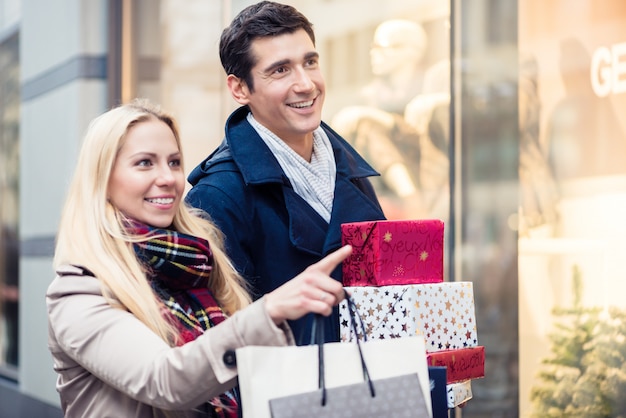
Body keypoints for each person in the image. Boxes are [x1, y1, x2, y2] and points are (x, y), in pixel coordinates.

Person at [46, 99, 352, 417]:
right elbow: (163, 380)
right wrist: (269, 310)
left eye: (174, 162)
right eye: (144, 163)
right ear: (103, 181)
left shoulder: (199, 263)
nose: (168, 178)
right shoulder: (79, 290)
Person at [186, 1, 386, 345]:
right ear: (239, 89)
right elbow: (215, 349)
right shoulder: (215, 198)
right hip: (283, 394)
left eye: (310, 62)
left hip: (370, 389)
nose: (306, 84)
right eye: (280, 70)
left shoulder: (350, 170)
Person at [331, 19, 449, 219]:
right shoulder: (370, 95)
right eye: (373, 47)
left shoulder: (430, 83)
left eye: (382, 47)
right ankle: (410, 197)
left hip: (426, 164)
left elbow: (423, 126)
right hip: (388, 178)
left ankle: (412, 198)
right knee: (365, 127)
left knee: (366, 124)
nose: (374, 53)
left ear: (411, 51)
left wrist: (377, 117)